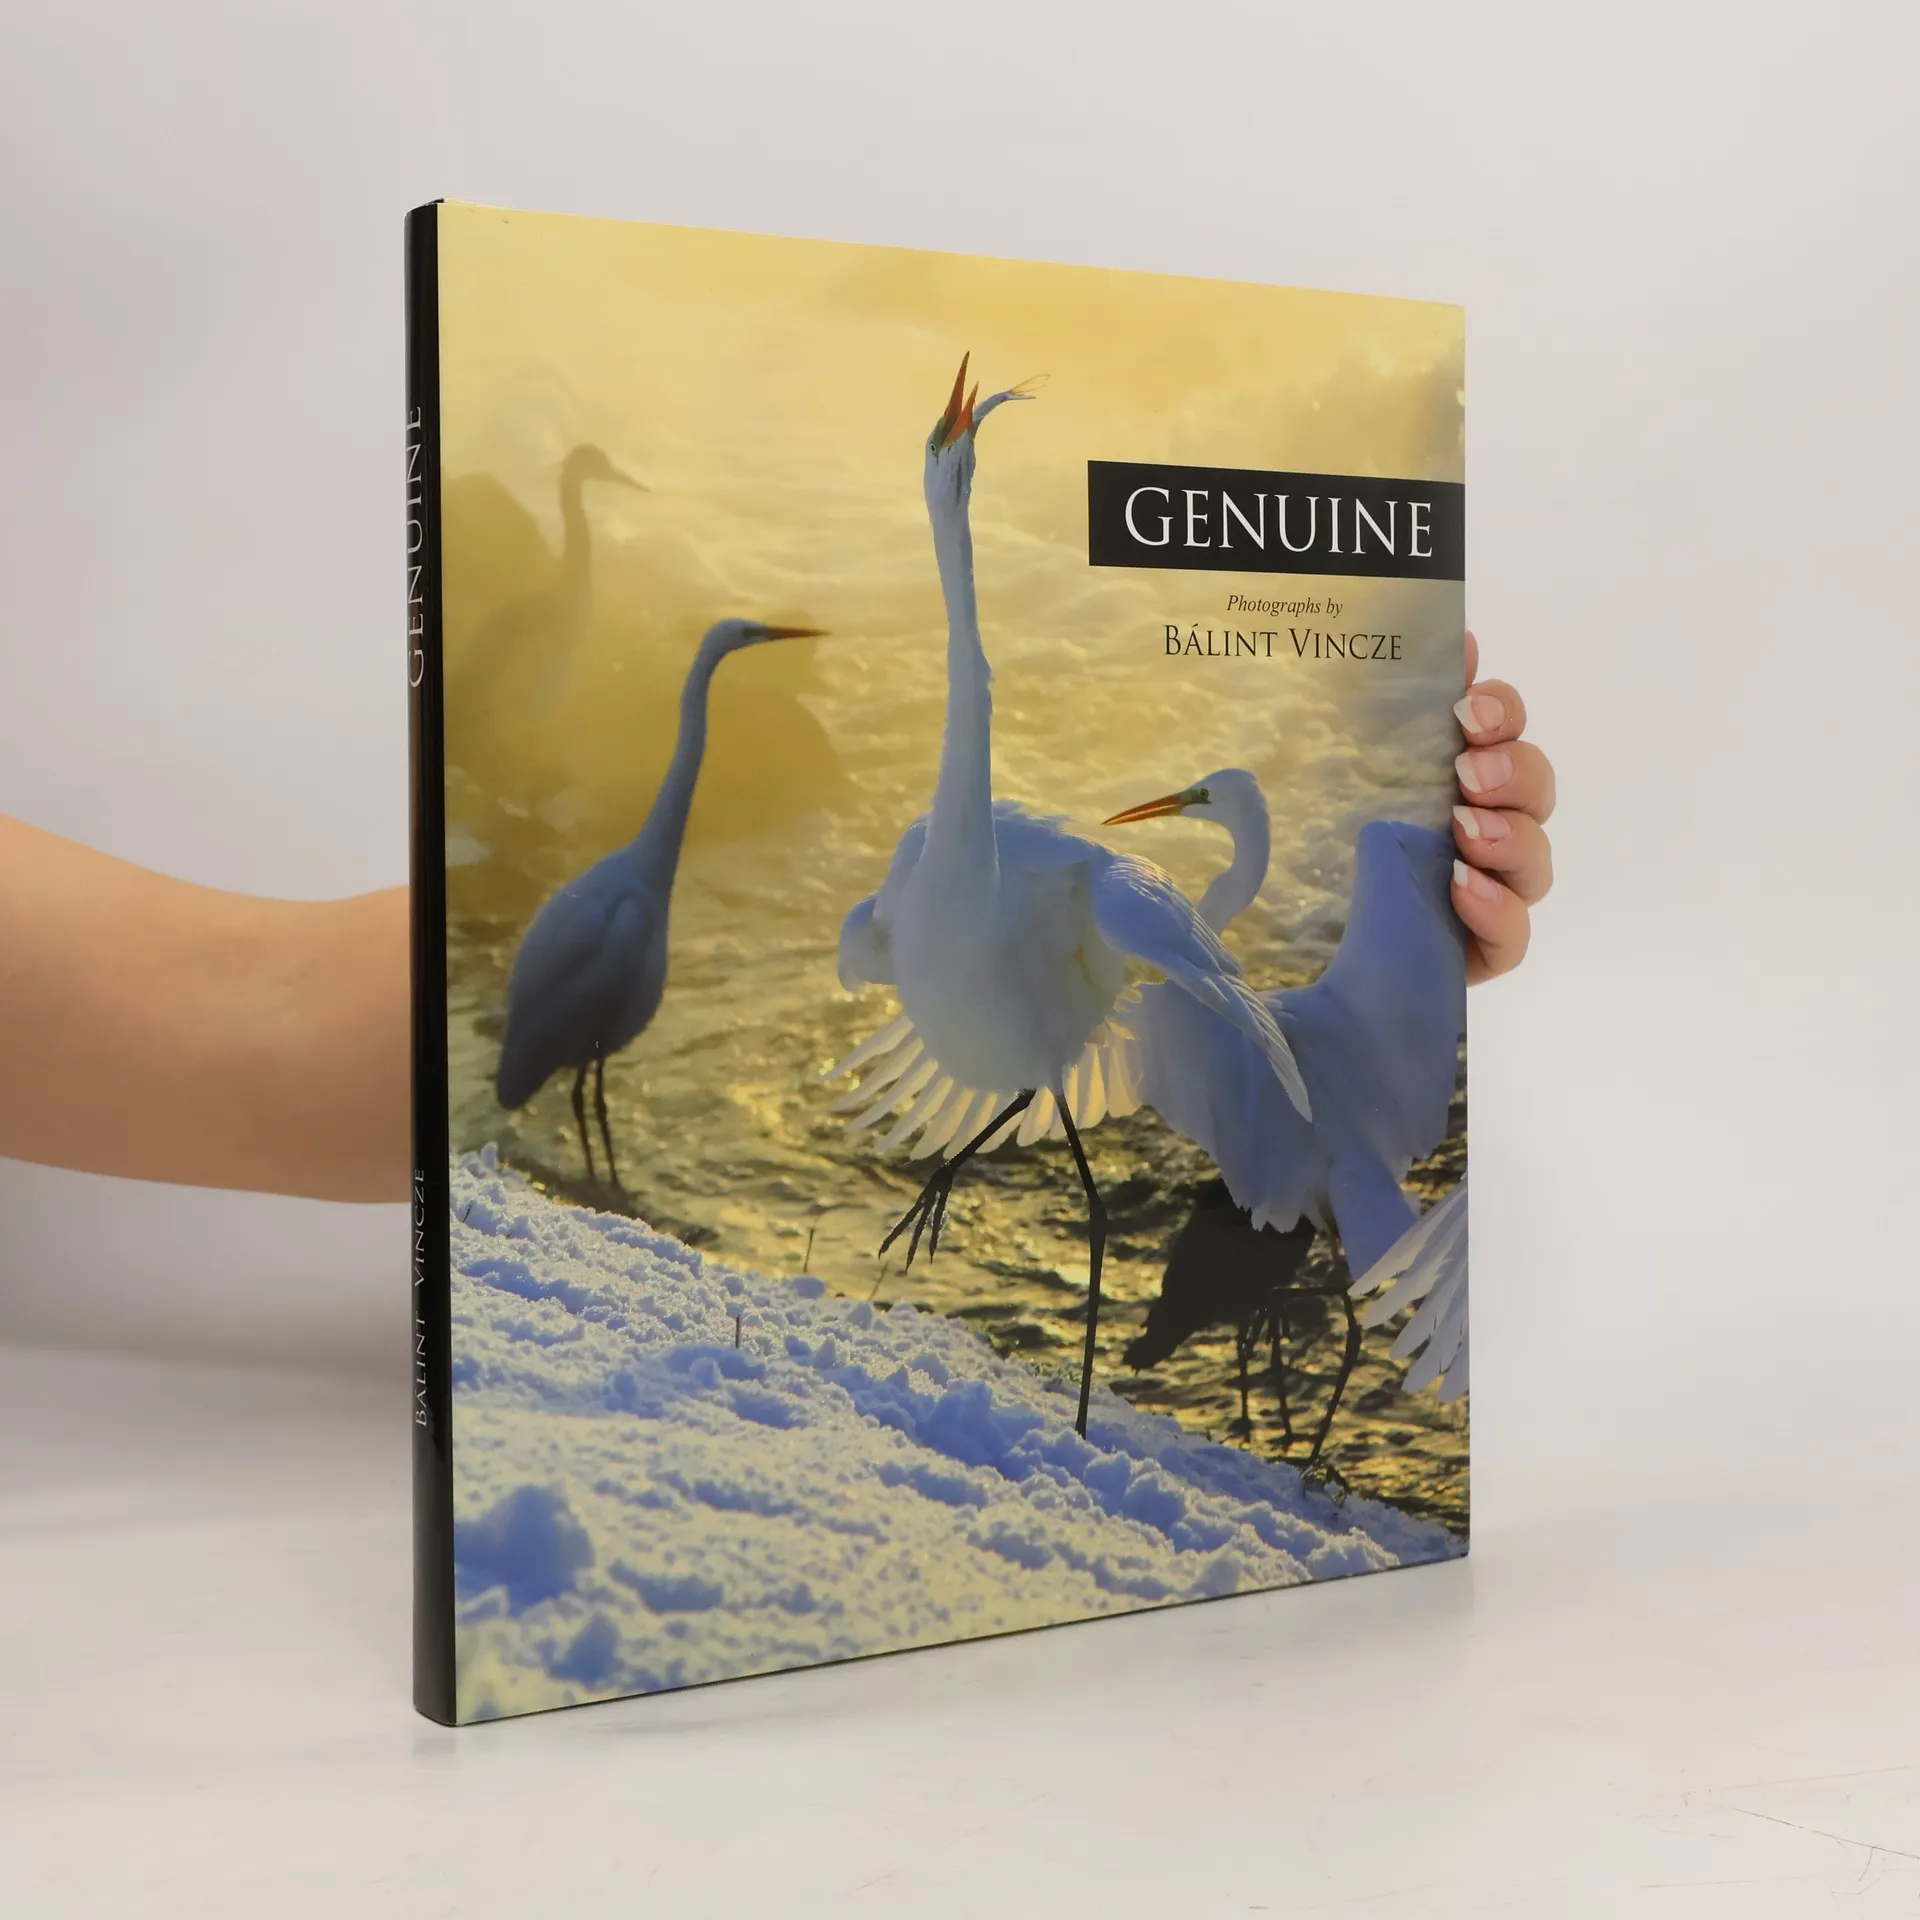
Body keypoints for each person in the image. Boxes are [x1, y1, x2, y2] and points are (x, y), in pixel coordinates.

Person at [0, 634, 1551, 1203]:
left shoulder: (1121, 908)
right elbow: (256, 1019)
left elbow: (264, 1007)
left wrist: (1405, 954)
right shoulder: (1077, 893)